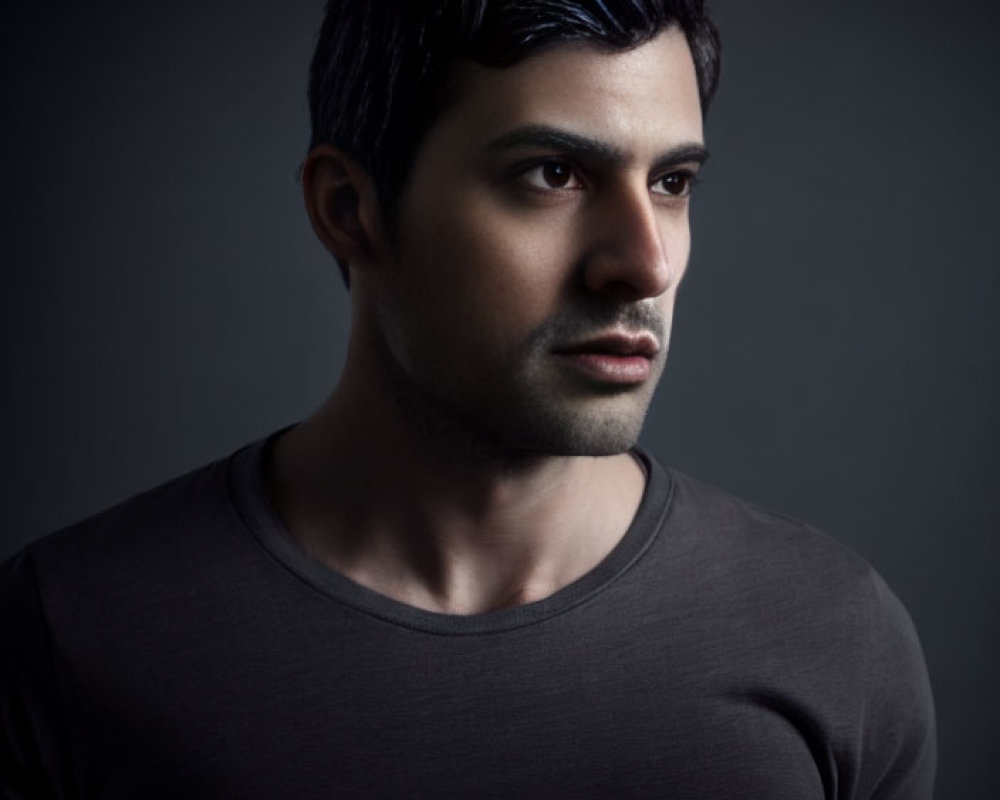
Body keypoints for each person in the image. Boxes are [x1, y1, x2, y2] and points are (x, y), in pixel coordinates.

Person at [0, 1, 936, 797]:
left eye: (672, 182)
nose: (645, 263)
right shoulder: (70, 637)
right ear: (347, 207)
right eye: (553, 175)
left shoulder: (833, 635)